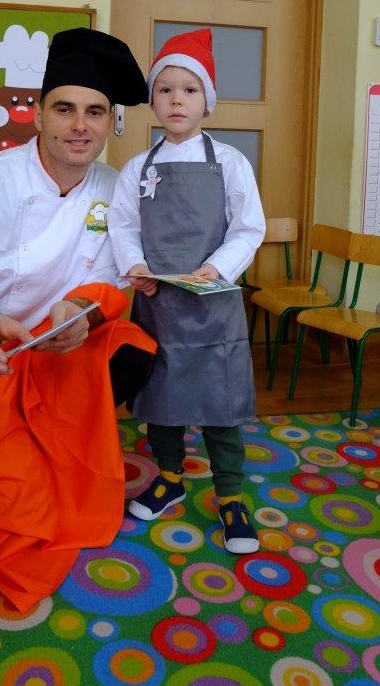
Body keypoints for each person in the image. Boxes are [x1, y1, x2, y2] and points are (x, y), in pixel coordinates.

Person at [0, 27, 155, 611]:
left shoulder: (116, 189)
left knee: (134, 348)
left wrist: (83, 313)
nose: (80, 125)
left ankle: (40, 438)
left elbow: (116, 279)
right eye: (64, 108)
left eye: (95, 112)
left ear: (110, 122)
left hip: (55, 351)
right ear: (38, 115)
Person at [108, 28, 266, 554]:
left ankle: (231, 496)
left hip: (214, 307)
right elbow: (123, 226)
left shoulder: (231, 163)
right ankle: (171, 477)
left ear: (206, 101)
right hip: (159, 305)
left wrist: (216, 267)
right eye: (166, 89)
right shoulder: (138, 168)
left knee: (222, 405)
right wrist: (134, 265)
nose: (177, 100)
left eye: (190, 90)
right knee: (162, 399)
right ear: (152, 101)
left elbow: (249, 228)